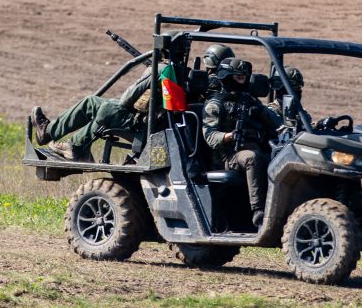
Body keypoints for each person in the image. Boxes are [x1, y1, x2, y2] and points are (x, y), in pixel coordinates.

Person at [31, 36, 230, 162]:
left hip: (147, 127)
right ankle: (74, 145)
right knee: (105, 107)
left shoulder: (164, 71)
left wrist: (150, 75)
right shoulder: (208, 85)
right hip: (165, 127)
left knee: (96, 104)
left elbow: (127, 99)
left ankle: (54, 135)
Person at [202, 58, 282, 228]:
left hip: (253, 149)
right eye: (238, 77)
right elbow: (210, 137)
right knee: (252, 158)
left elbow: (274, 122)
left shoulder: (250, 101)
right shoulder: (215, 104)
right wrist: (230, 135)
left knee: (280, 159)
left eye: (244, 77)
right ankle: (259, 211)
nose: (242, 81)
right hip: (227, 156)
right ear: (227, 77)